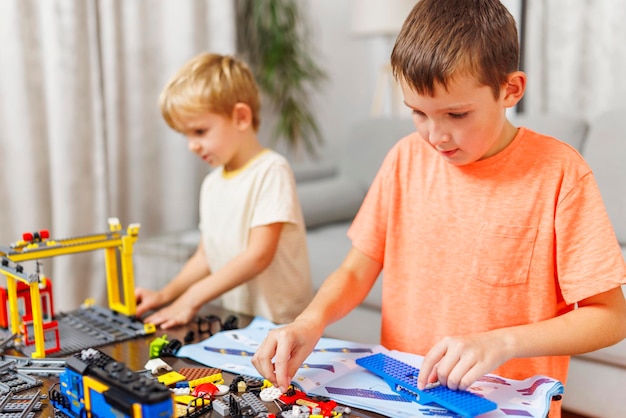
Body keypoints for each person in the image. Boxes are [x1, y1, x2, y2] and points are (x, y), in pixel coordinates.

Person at [251, 1, 626, 416]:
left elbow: (609, 317)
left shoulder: (559, 173)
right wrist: (310, 321)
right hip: (402, 398)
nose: (436, 135)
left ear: (511, 90)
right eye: (418, 113)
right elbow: (358, 268)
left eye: (456, 113)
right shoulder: (404, 158)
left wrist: (503, 341)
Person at [135, 53, 313, 329]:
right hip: (241, 322)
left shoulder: (271, 170)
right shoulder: (212, 184)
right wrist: (166, 295)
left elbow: (258, 255)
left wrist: (194, 297)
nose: (192, 145)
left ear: (241, 117)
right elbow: (207, 256)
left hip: (282, 325)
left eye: (200, 131)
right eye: (186, 135)